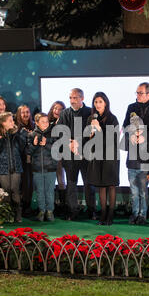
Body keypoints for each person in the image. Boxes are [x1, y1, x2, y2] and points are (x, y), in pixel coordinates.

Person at [122, 82, 149, 221]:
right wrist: (132, 134)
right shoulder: (131, 107)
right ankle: (136, 213)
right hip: (134, 154)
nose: (137, 95)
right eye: (137, 92)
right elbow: (125, 125)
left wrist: (144, 136)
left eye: (140, 93)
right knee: (135, 189)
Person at [56, 88, 97, 220]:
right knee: (71, 184)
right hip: (69, 156)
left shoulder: (90, 112)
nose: (72, 101)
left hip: (86, 155)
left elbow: (91, 133)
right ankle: (72, 211)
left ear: (82, 98)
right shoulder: (64, 113)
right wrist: (69, 142)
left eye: (75, 98)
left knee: (89, 184)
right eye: (70, 98)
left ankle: (92, 211)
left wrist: (77, 143)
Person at [86, 92, 120, 226]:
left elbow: (112, 139)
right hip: (97, 154)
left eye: (100, 101)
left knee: (110, 184)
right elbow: (89, 139)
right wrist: (91, 133)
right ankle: (103, 213)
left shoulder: (112, 118)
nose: (97, 104)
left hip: (110, 155)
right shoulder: (91, 118)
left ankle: (111, 214)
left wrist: (99, 129)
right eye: (95, 102)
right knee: (100, 184)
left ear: (105, 103)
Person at [0, 112, 27, 223]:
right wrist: (1, 140)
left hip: (15, 166)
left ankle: (18, 215)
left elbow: (22, 148)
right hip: (2, 168)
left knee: (15, 190)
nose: (13, 122)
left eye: (13, 120)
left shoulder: (16, 134)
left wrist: (19, 135)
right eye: (10, 120)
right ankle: (7, 215)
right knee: (6, 192)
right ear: (3, 123)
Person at [26, 113, 58, 222]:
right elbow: (28, 151)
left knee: (49, 191)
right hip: (37, 169)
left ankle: (50, 211)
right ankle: (41, 211)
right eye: (43, 121)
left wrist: (47, 144)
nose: (45, 123)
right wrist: (34, 145)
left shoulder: (53, 134)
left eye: (47, 121)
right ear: (37, 123)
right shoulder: (32, 135)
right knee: (40, 191)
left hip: (50, 168)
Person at [121, 112, 149, 225]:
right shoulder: (129, 136)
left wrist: (143, 142)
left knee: (143, 192)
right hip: (132, 167)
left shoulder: (147, 136)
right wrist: (129, 136)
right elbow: (123, 147)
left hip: (143, 168)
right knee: (134, 193)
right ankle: (135, 214)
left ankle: (143, 215)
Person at [15, 104, 35, 218]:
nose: (26, 114)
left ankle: (27, 207)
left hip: (31, 161)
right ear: (18, 114)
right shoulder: (16, 128)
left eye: (27, 112)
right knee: (22, 184)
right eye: (23, 112)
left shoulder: (33, 126)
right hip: (20, 160)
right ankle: (20, 208)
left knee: (30, 184)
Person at [48, 101, 67, 214]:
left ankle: (63, 205)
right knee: (50, 181)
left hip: (60, 155)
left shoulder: (64, 123)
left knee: (61, 180)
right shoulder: (47, 121)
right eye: (55, 108)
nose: (57, 111)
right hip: (47, 156)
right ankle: (51, 206)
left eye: (60, 109)